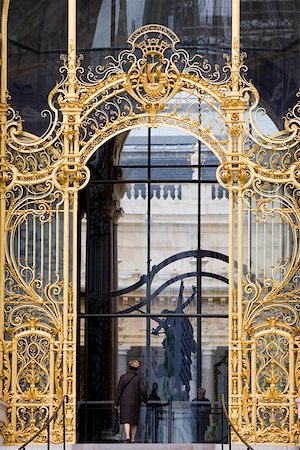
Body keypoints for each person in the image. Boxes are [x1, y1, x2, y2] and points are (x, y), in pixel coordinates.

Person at [114, 359, 148, 443]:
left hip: (125, 402)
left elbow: (118, 391)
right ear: (137, 369)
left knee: (126, 420)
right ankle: (133, 439)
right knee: (134, 421)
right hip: (135, 402)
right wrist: (145, 399)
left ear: (129, 367)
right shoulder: (138, 379)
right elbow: (143, 390)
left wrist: (116, 403)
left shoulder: (123, 377)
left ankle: (127, 437)